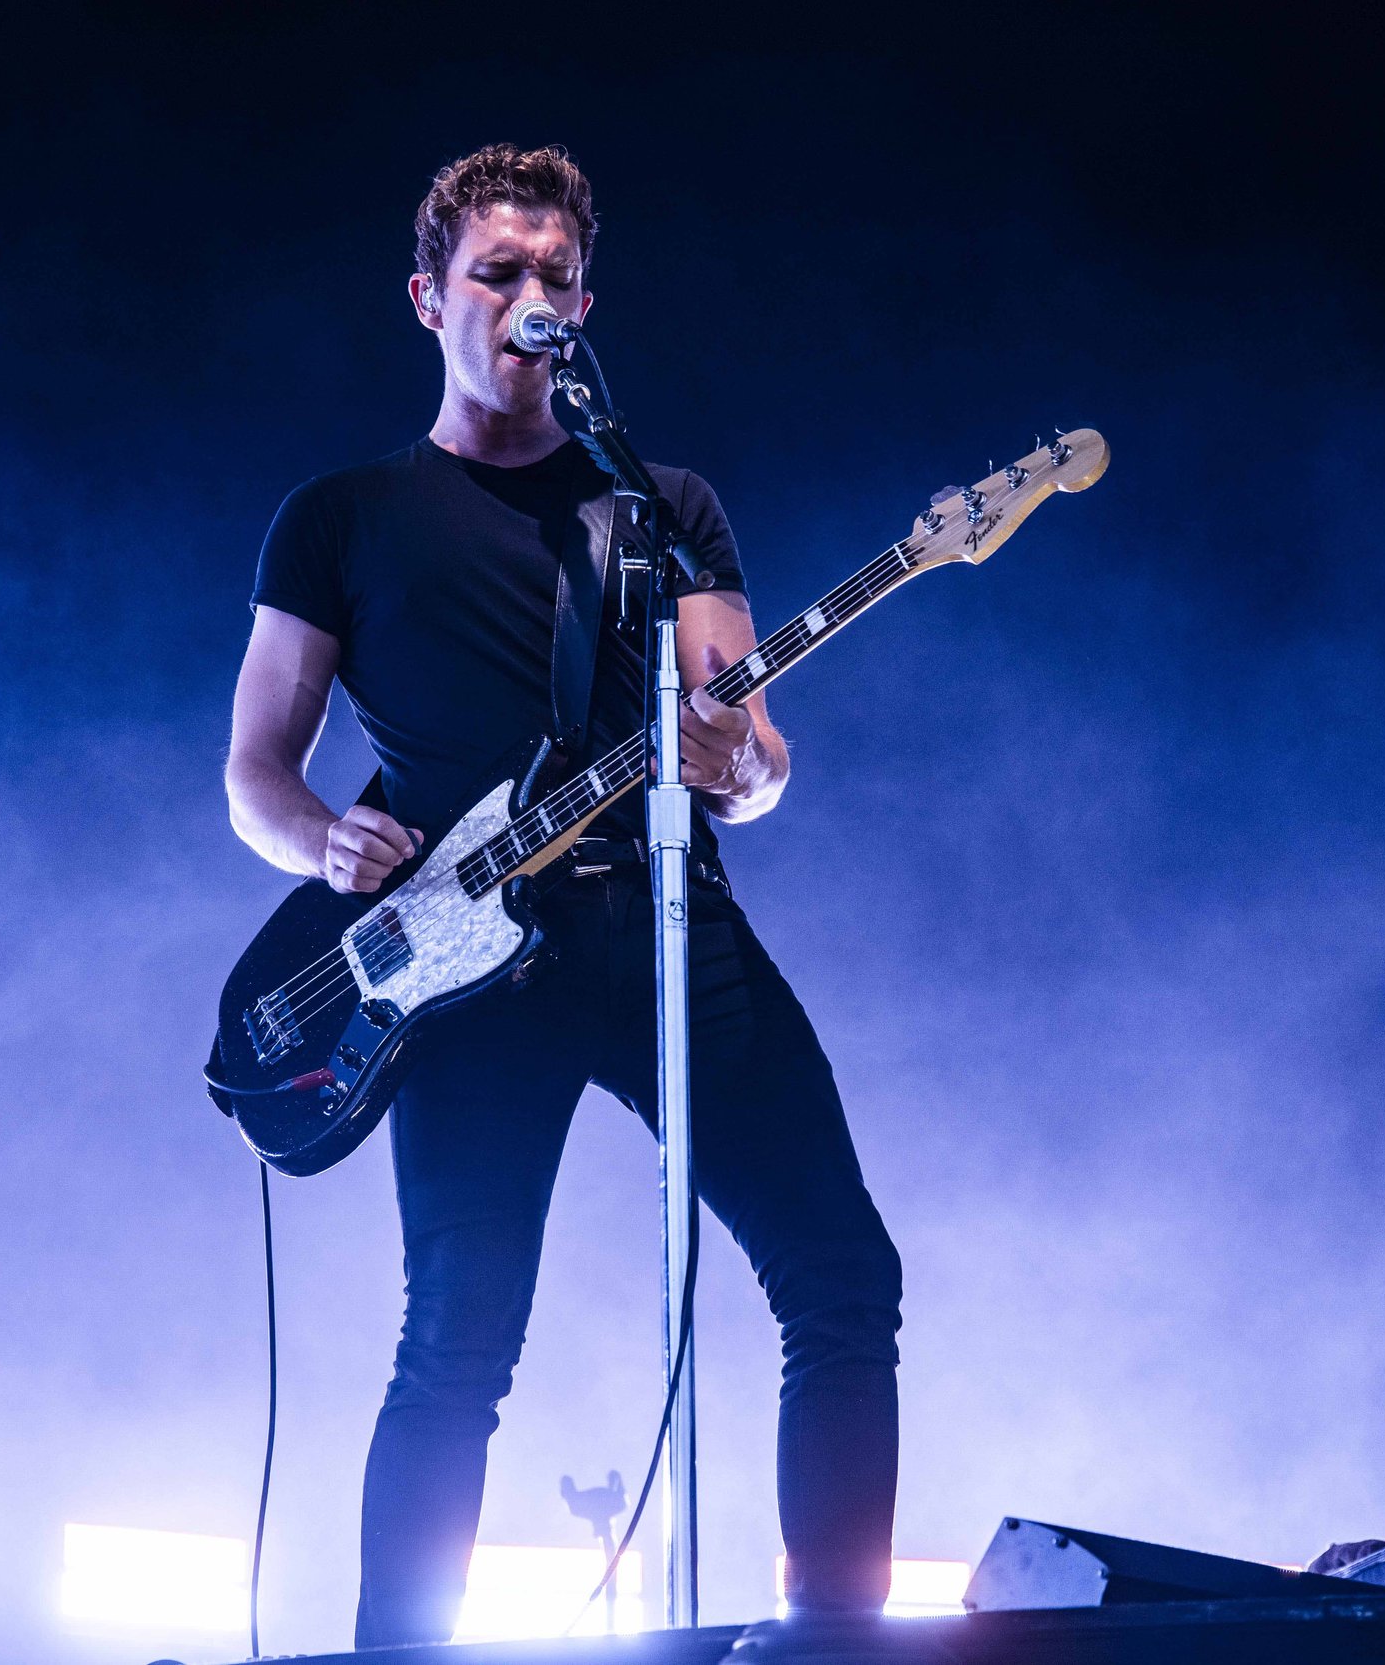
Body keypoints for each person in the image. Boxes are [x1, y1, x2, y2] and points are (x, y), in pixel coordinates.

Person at [224, 144, 903, 1648]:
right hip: (464, 963)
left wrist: (743, 767)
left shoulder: (661, 509)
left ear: (585, 304)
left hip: (662, 920)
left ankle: (840, 1636)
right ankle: (397, 1652)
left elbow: (757, 747)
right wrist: (326, 842)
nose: (530, 300)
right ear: (428, 298)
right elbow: (257, 776)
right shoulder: (342, 518)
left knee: (844, 1274)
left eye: (554, 280)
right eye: (496, 274)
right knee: (458, 1344)